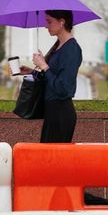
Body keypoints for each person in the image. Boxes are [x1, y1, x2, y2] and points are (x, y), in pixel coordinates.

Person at [19, 9, 81, 143]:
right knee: (47, 157)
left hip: (61, 113)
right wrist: (32, 71)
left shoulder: (71, 49)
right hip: (52, 111)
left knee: (54, 160)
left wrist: (44, 66)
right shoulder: (59, 46)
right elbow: (52, 77)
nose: (46, 26)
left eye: (49, 21)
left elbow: (63, 88)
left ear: (62, 22)